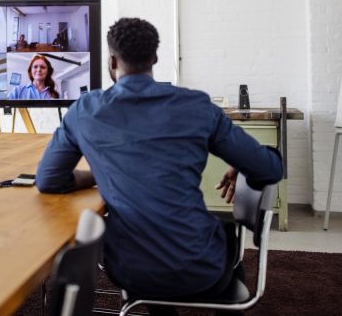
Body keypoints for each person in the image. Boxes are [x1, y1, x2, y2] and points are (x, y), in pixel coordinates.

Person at [35, 18, 283, 315]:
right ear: (155, 58)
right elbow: (269, 170)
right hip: (200, 267)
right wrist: (242, 162)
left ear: (111, 61)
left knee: (149, 250)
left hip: (130, 271)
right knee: (226, 245)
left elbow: (48, 179)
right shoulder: (198, 106)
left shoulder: (85, 110)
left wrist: (97, 177)